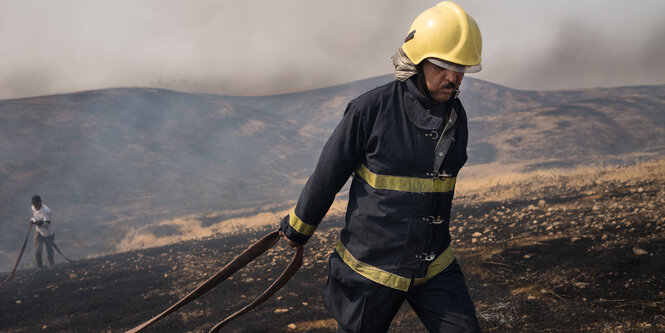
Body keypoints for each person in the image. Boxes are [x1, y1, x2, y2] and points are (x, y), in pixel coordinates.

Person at [279, 1, 483, 332]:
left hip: (434, 268)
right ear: (418, 60)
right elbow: (329, 172)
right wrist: (299, 227)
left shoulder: (456, 118)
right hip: (371, 270)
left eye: (461, 68)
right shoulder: (370, 110)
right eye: (444, 65)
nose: (454, 77)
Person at [30, 194, 56, 269]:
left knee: (49, 250)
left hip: (48, 233)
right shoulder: (33, 207)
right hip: (38, 231)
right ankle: (39, 266)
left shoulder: (46, 211)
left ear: (40, 202)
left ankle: (52, 265)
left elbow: (47, 224)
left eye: (36, 203)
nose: (35, 206)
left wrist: (39, 223)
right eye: (34, 204)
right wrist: (35, 222)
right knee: (37, 250)